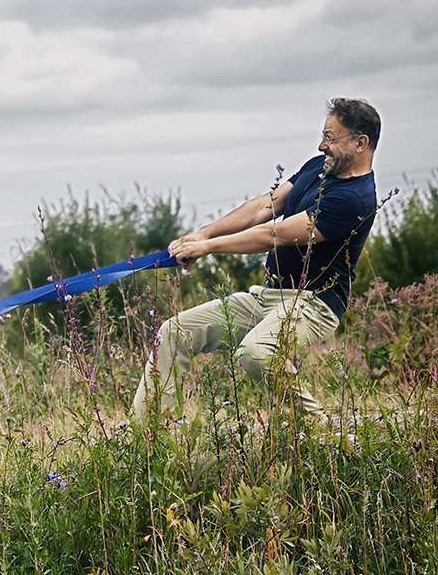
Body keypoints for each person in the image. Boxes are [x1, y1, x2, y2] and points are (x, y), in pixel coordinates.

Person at [131, 98, 380, 421]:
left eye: (330, 138)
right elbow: (265, 206)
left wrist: (209, 248)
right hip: (268, 296)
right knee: (174, 332)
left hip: (313, 303)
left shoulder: (355, 199)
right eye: (323, 135)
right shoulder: (318, 167)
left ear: (360, 143)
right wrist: (203, 234)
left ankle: (322, 429)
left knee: (257, 353)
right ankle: (148, 437)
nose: (322, 145)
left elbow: (275, 234)